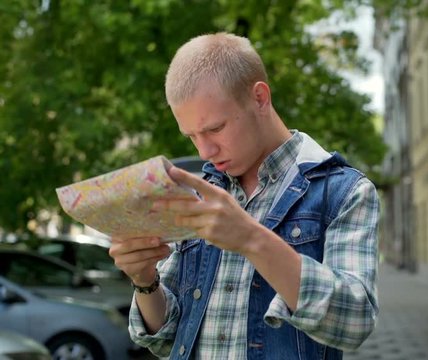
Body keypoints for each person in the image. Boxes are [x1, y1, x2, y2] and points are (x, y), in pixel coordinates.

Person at [108, 32, 379, 360]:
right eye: (191, 136)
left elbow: (355, 322)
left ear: (260, 98)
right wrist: (144, 280)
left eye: (215, 128)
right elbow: (165, 340)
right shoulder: (196, 195)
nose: (205, 150)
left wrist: (251, 239)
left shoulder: (343, 191)